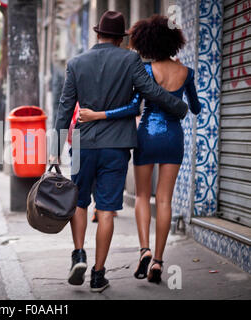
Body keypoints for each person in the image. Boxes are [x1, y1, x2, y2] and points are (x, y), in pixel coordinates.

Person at [50, 10, 188, 293]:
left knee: (78, 202)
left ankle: (78, 254)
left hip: (82, 143)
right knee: (107, 210)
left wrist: (54, 150)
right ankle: (99, 274)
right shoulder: (130, 59)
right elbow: (150, 91)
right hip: (116, 145)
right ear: (120, 37)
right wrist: (179, 107)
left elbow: (65, 108)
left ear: (98, 33)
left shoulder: (76, 63)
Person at [79, 15, 201, 284]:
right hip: (173, 137)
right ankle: (158, 260)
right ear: (173, 43)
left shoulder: (145, 71)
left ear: (145, 43)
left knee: (144, 197)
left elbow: (133, 107)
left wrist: (100, 115)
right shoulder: (186, 72)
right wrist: (183, 83)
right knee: (166, 200)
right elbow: (195, 108)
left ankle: (144, 249)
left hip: (146, 135)